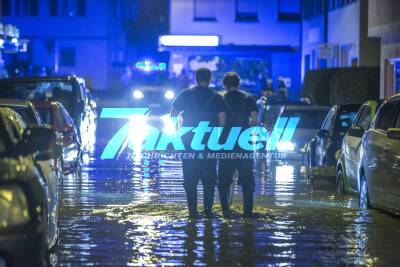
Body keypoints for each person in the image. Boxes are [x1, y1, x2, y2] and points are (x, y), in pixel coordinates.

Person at [171, 68, 226, 218]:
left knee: (190, 178)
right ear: (210, 79)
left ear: (196, 78)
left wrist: (177, 134)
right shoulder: (217, 97)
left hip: (189, 142)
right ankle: (208, 212)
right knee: (209, 178)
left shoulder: (185, 94)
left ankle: (192, 213)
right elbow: (222, 120)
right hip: (209, 142)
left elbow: (173, 116)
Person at [218, 72, 258, 218]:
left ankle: (225, 212)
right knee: (247, 180)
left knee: (224, 179)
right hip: (244, 145)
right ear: (238, 83)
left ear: (224, 84)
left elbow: (218, 122)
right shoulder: (248, 98)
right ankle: (248, 213)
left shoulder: (220, 99)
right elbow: (255, 121)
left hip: (226, 144)